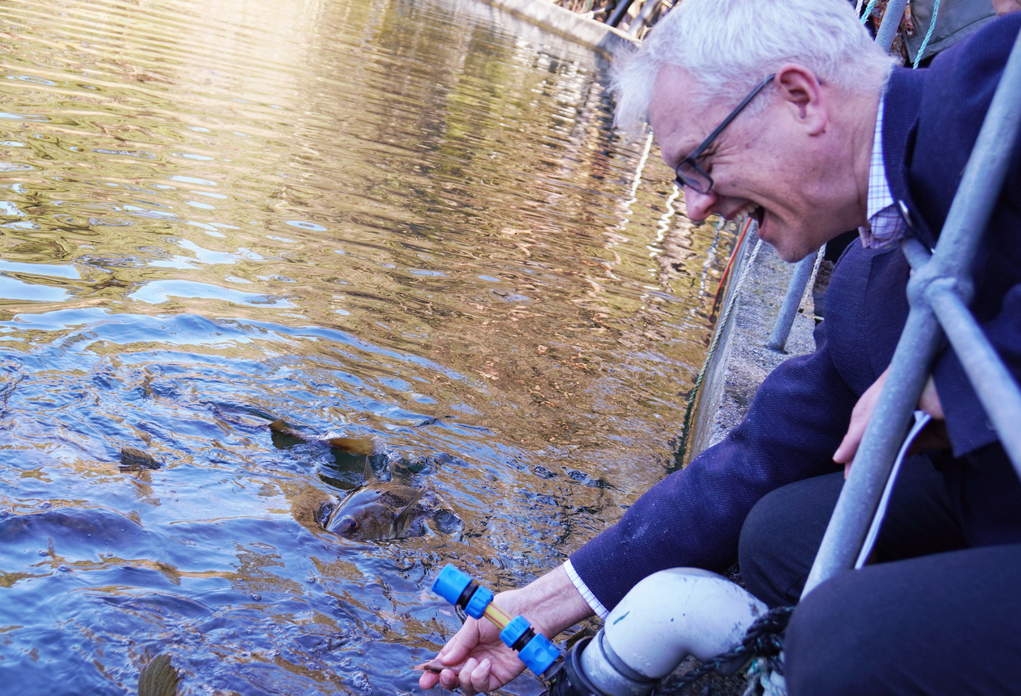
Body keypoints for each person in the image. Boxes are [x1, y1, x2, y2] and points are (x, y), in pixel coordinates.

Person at [418, 1, 1021, 694]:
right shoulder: (860, 279)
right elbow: (763, 452)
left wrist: (960, 375)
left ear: (799, 98)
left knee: (843, 637)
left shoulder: (995, 86)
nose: (694, 207)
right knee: (781, 536)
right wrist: (539, 605)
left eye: (700, 163)